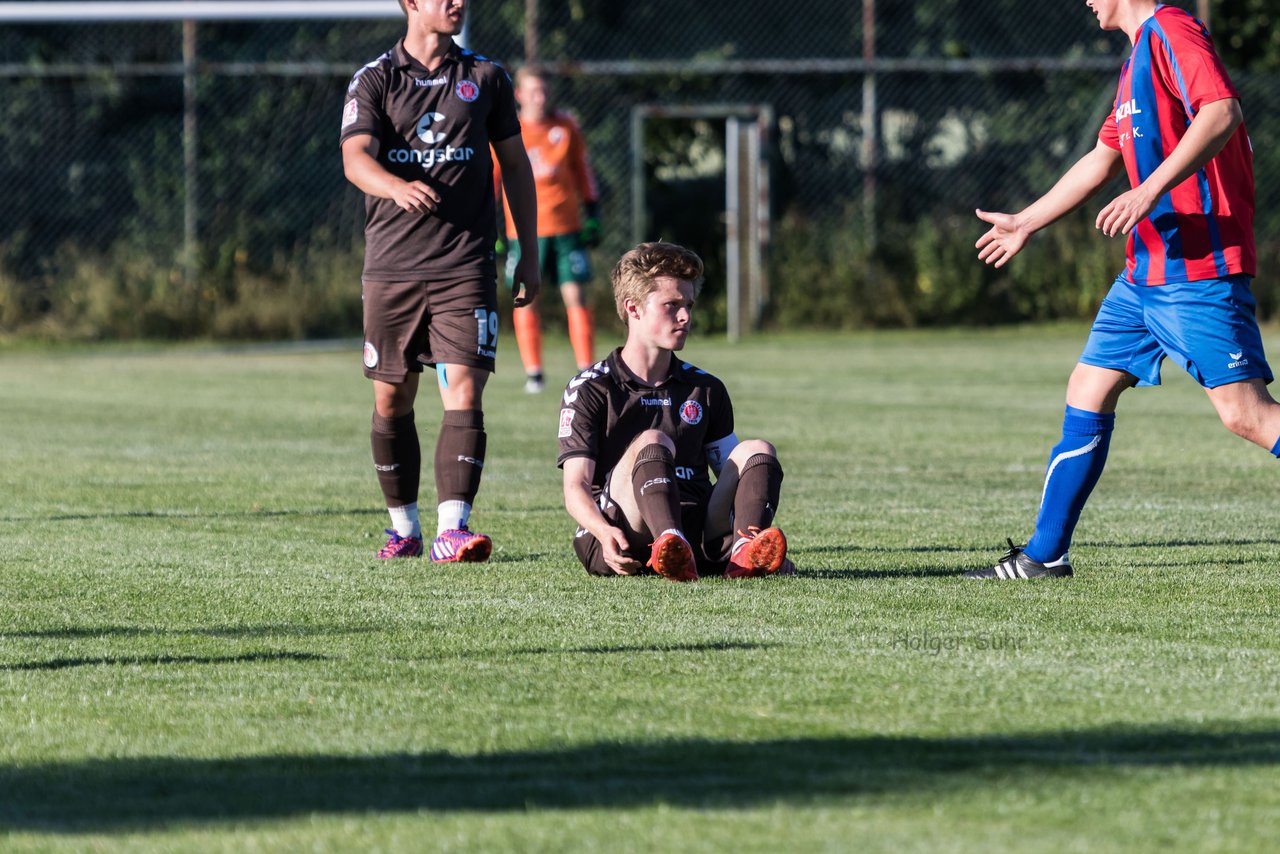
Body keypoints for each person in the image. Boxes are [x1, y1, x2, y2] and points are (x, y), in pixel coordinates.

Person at [968, 0, 1278, 579]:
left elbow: (1222, 112)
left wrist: (1149, 190)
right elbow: (1103, 158)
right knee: (1088, 387)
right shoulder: (1137, 55)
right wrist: (1027, 221)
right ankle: (1043, 556)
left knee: (1247, 416)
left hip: (1196, 267)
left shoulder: (1171, 29)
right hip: (1145, 274)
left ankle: (1043, 554)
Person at [339, 0, 540, 561]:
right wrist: (395, 187)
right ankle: (403, 530)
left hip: (466, 264)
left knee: (466, 388)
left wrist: (529, 251)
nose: (458, 2)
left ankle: (453, 528)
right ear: (410, 3)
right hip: (393, 267)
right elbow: (355, 158)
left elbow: (516, 167)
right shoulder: (375, 80)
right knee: (391, 398)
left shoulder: (486, 77)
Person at [557, 241, 792, 582]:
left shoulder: (705, 388)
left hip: (697, 526)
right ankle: (670, 542)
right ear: (633, 309)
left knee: (757, 450)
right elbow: (575, 487)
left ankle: (744, 551)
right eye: (672, 305)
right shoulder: (592, 387)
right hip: (624, 532)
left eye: (688, 305)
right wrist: (603, 533)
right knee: (653, 440)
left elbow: (733, 471)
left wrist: (748, 518)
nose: (685, 316)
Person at [494, 67, 602, 394]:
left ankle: (586, 370)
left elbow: (582, 170)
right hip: (524, 230)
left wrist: (593, 211)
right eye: (534, 91)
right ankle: (535, 374)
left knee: (576, 295)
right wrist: (494, 228)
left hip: (567, 227)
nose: (541, 98)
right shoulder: (506, 129)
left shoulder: (565, 126)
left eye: (544, 91)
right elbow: (493, 180)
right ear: (519, 95)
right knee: (526, 298)